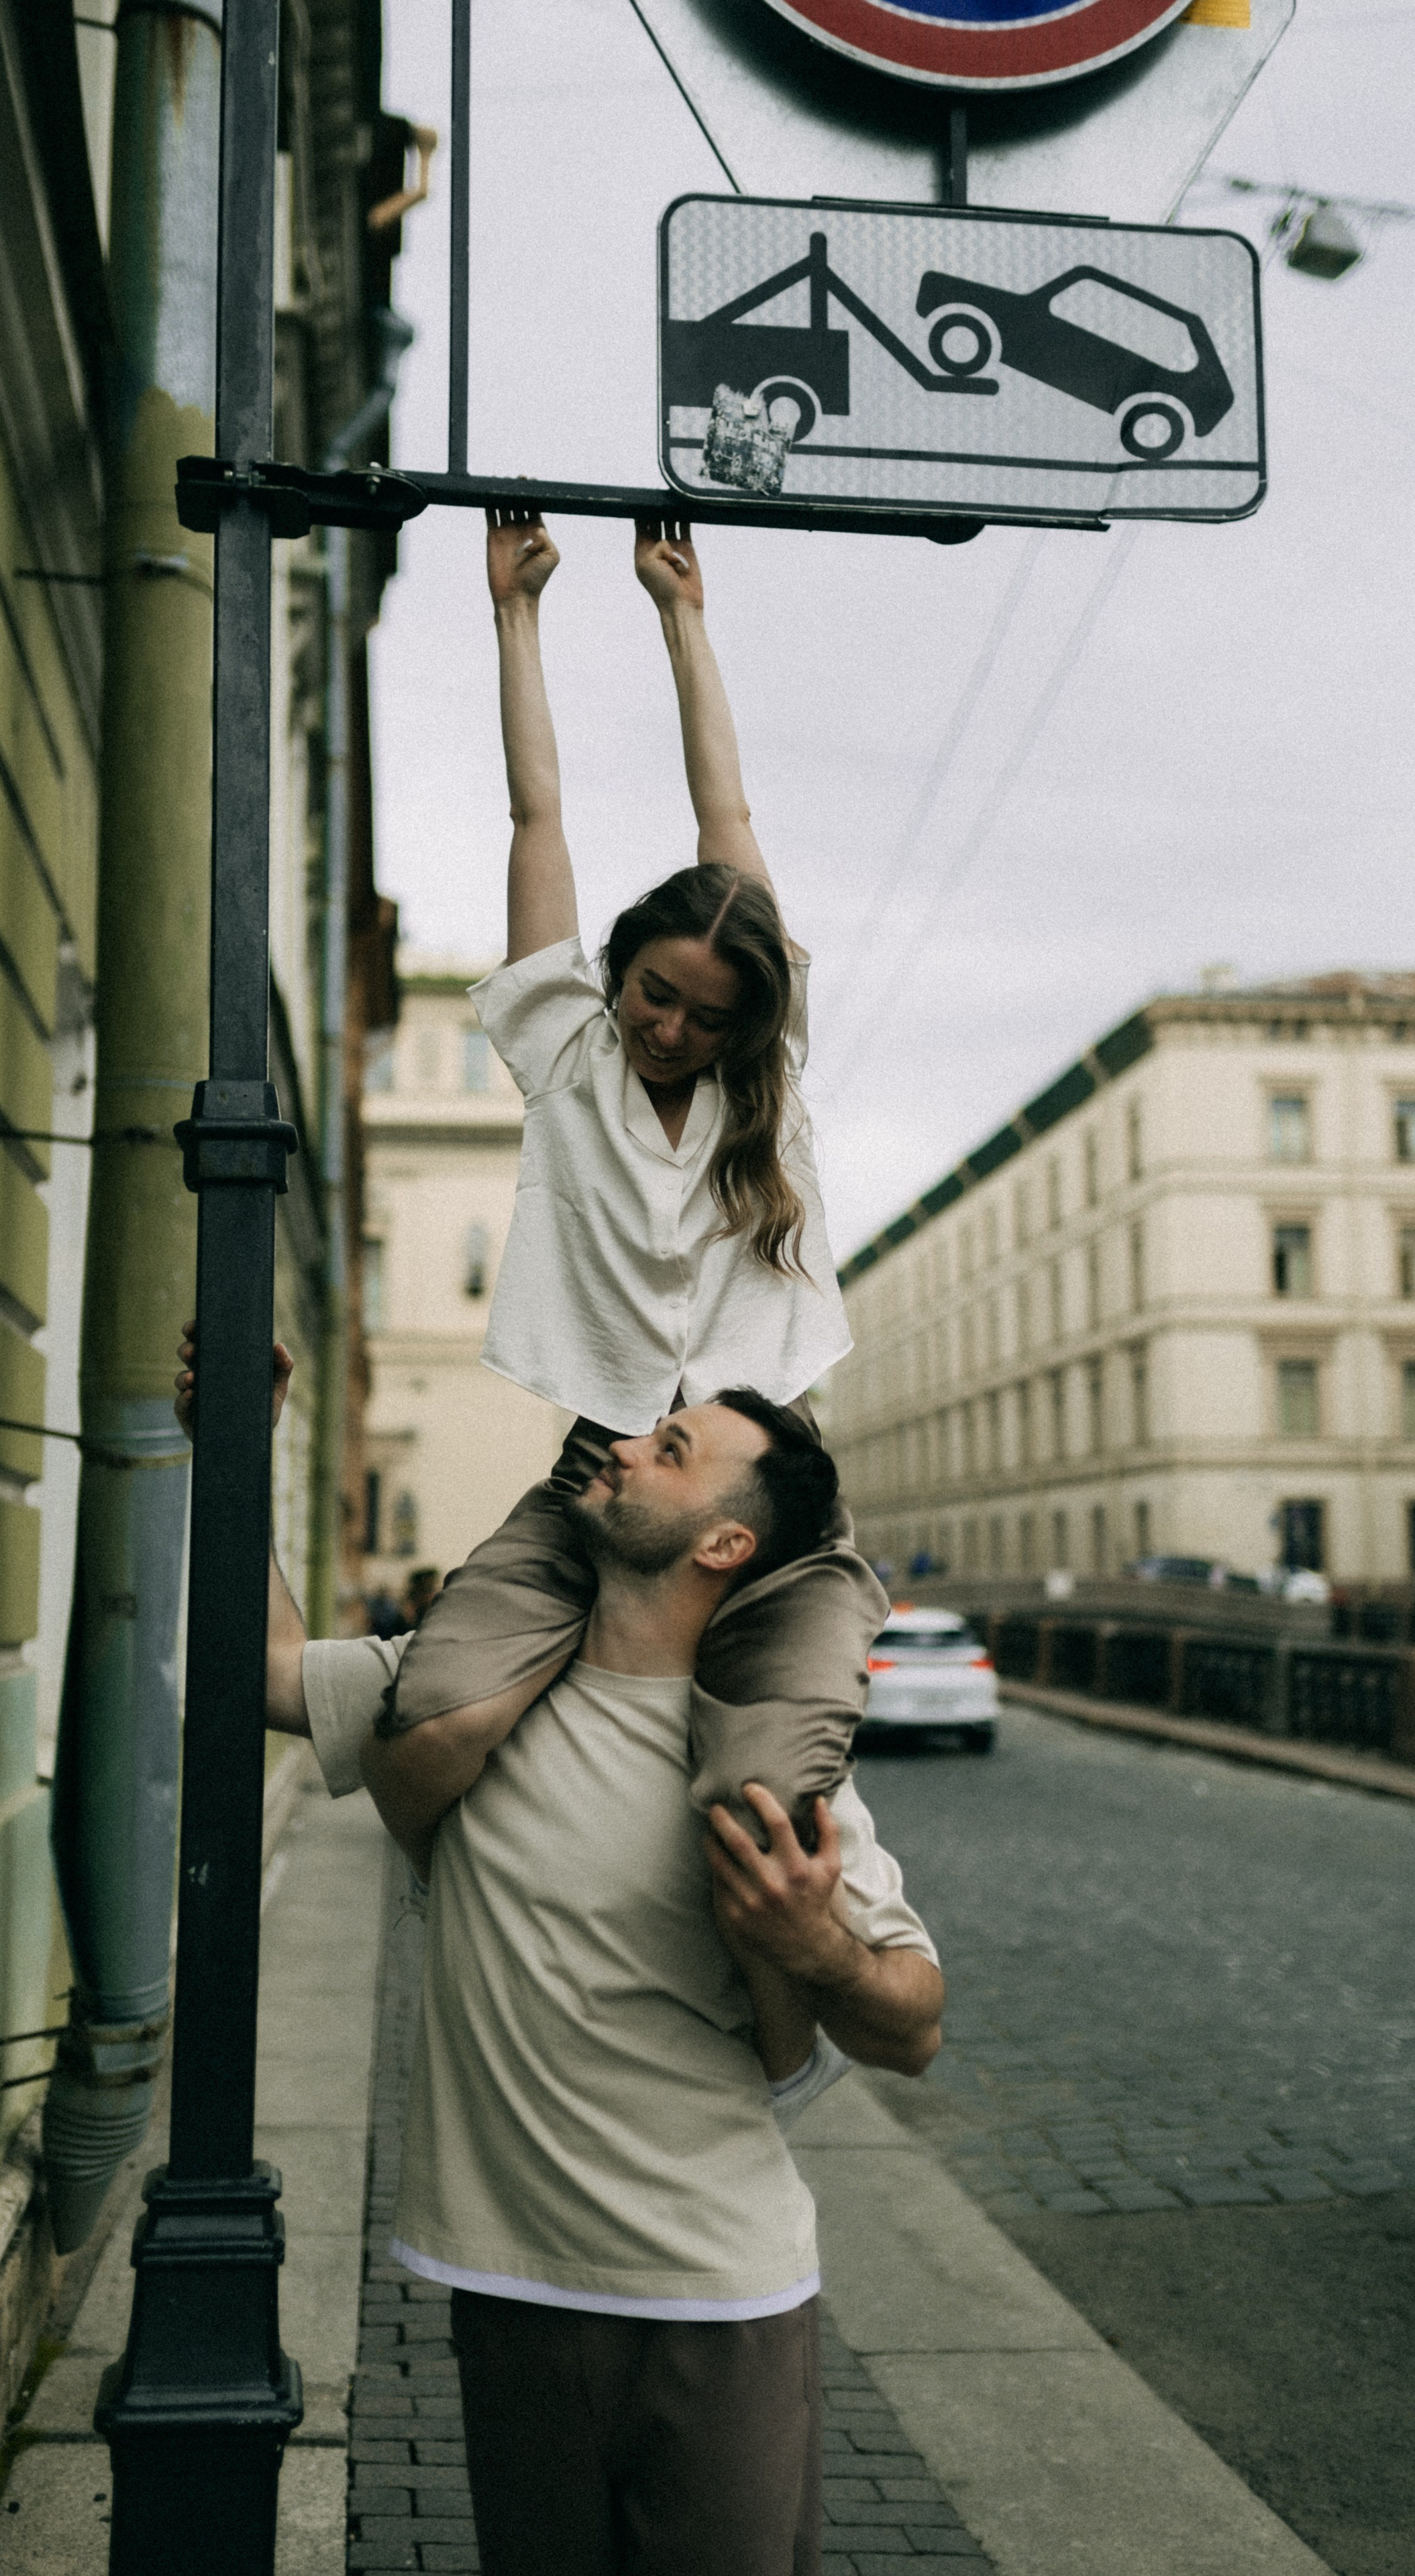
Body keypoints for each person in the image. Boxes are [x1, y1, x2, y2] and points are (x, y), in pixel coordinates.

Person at [261, 1379, 944, 2576]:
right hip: (509, 2290)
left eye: (668, 1449)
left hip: (716, 2302)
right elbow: (263, 1670)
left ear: (724, 1542)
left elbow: (914, 2025)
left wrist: (813, 1944)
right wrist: (236, 1444)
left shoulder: (769, 1766)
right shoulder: (464, 1688)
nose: (622, 1449)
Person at [382, 510, 886, 1841]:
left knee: (766, 1807)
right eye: (654, 995)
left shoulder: (759, 1096)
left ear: (749, 1023)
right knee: (428, 1718)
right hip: (604, 1466)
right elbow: (535, 809)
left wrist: (683, 617)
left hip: (765, 1481)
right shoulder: (566, 1051)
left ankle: (774, 2052)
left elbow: (729, 813)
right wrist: (517, 613)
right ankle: (492, 1910)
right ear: (619, 971)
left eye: (706, 1017)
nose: (670, 1030)